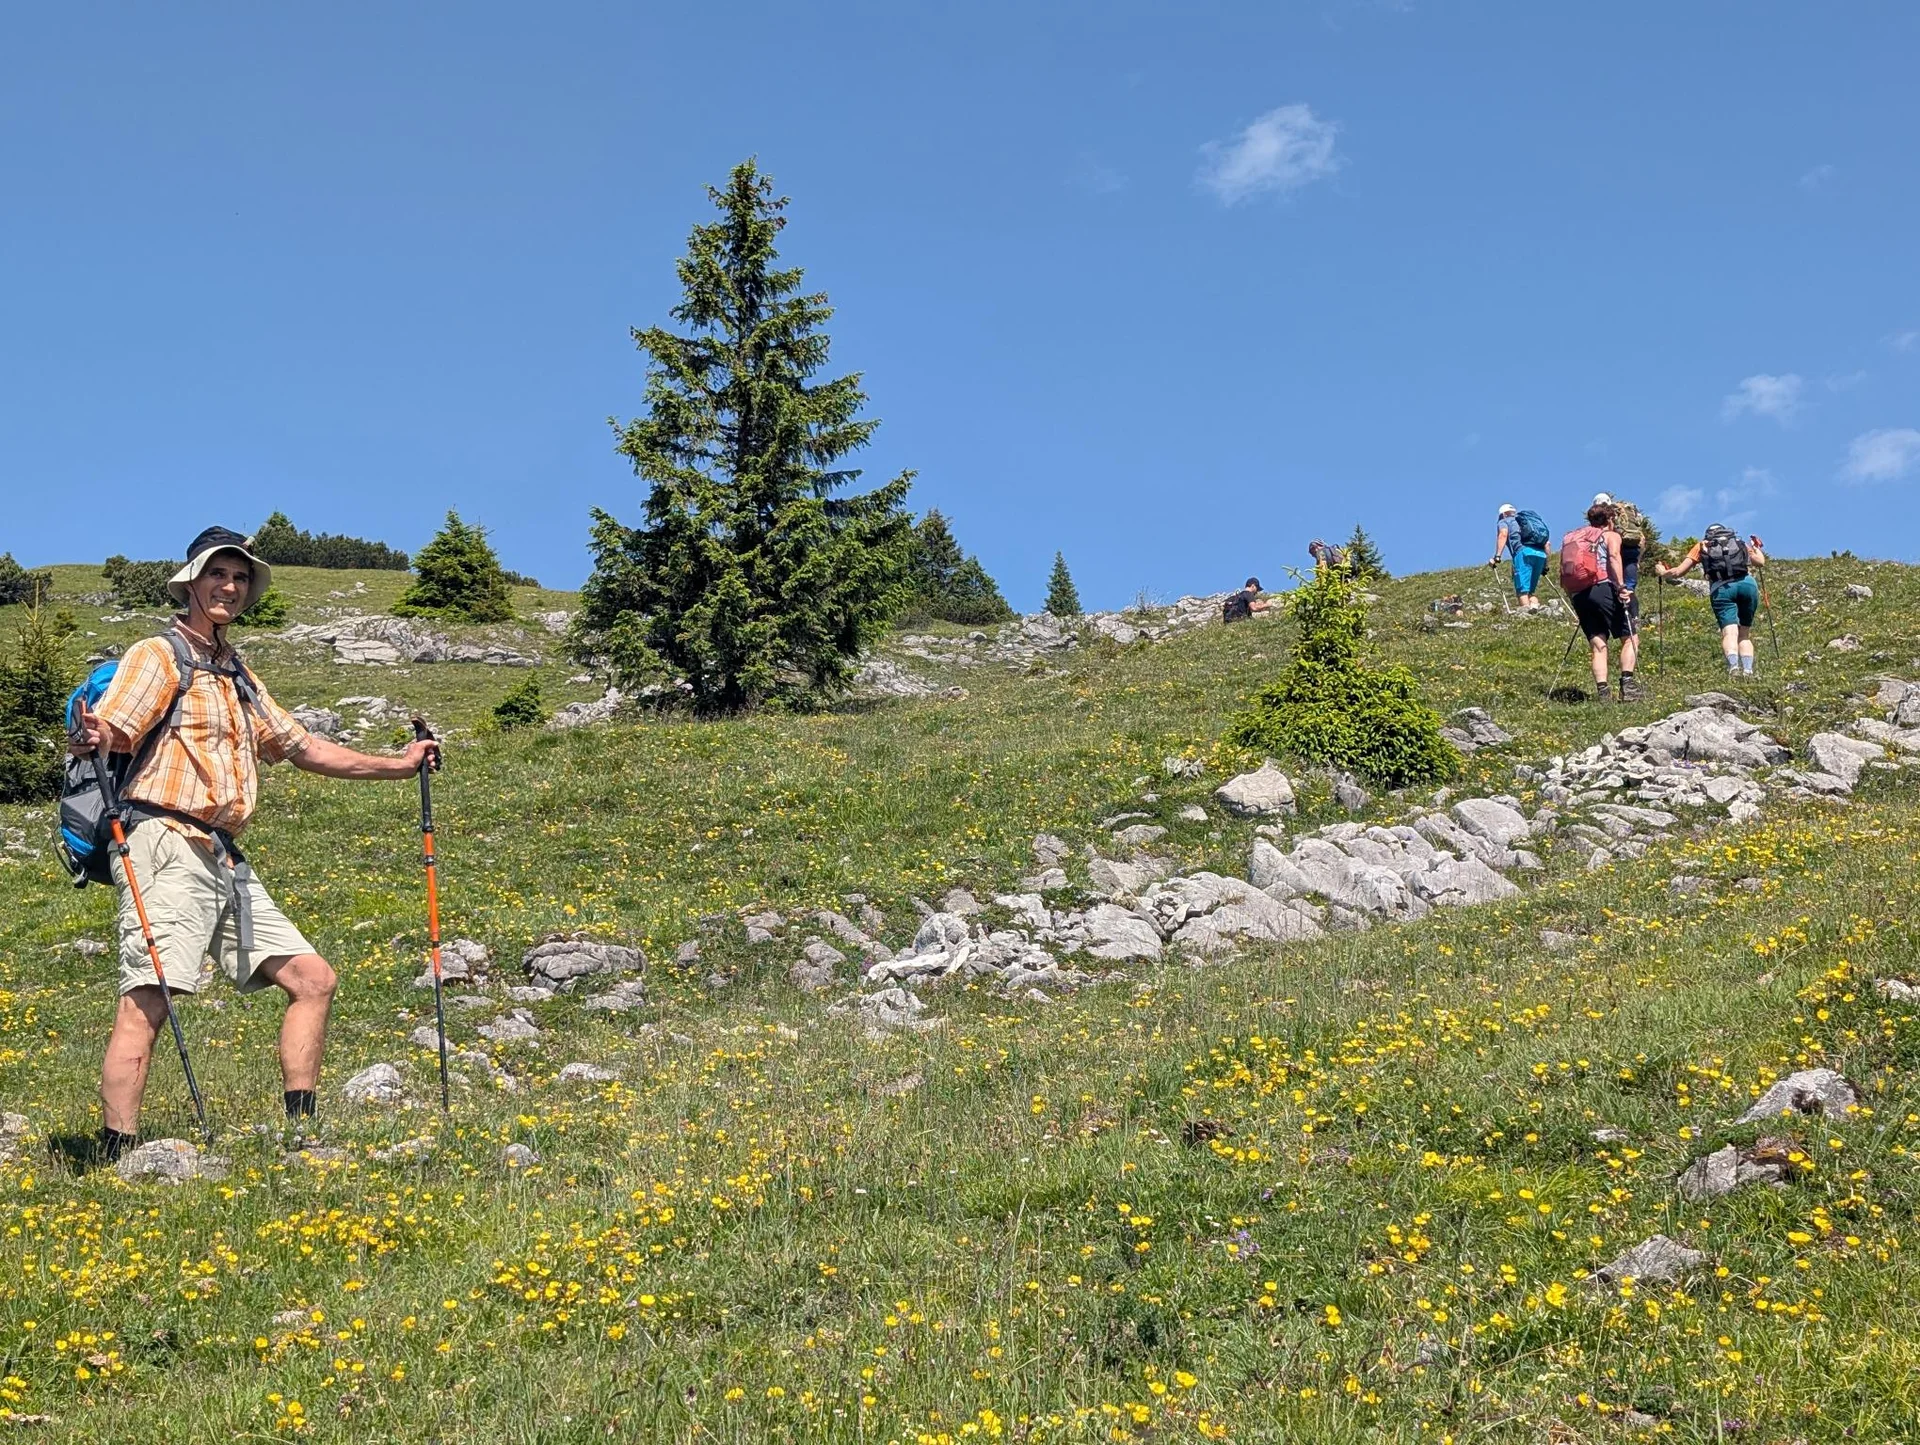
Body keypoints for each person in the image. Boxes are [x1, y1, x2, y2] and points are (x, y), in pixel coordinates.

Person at [68, 526, 438, 1159]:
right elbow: (118, 730)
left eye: (240, 579)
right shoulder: (159, 655)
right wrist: (95, 735)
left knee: (313, 979)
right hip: (165, 841)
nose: (230, 587)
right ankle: (114, 1155)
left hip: (221, 852)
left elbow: (304, 748)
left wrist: (398, 765)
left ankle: (301, 1133)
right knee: (151, 996)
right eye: (218, 574)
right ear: (191, 583)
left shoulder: (237, 673)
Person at [1657, 525, 1767, 676]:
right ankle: (1748, 670)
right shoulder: (1737, 542)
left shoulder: (1702, 545)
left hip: (1722, 588)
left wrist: (1663, 572)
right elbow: (1760, 562)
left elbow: (1678, 572)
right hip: (1747, 585)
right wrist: (1756, 547)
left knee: (1730, 632)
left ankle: (1734, 667)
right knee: (1744, 634)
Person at [1560, 501, 1640, 701]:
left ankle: (1603, 693)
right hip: (1603, 587)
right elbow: (1613, 557)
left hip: (1580, 595)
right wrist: (1621, 587)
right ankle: (1628, 687)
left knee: (1598, 644)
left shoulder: (1576, 537)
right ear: (1610, 519)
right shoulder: (1610, 535)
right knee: (1630, 637)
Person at [1490, 503, 1548, 611]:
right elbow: (1547, 543)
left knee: (1522, 590)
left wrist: (1497, 556)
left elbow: (1503, 534)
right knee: (1530, 591)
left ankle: (1526, 615)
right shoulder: (1526, 522)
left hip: (1523, 554)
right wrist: (1545, 564)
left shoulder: (1504, 521)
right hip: (1540, 554)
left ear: (1503, 514)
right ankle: (1536, 610)